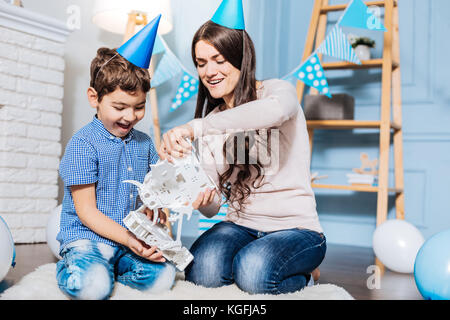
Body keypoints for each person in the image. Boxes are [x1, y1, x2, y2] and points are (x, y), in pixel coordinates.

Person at [159, 18, 326, 295]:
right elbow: (212, 205)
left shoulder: (277, 92)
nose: (209, 71)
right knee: (201, 272)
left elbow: (271, 112)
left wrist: (194, 127)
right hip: (240, 226)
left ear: (240, 58)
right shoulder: (213, 122)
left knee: (254, 271)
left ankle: (306, 275)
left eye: (219, 60)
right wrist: (203, 199)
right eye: (201, 63)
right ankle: (256, 261)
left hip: (296, 228)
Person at [56, 46, 176, 300]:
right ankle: (74, 266)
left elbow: (153, 193)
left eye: (139, 107)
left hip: (128, 242)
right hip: (87, 238)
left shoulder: (144, 143)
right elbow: (86, 213)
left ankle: (111, 269)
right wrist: (129, 238)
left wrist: (158, 214)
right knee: (92, 287)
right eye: (120, 106)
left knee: (164, 277)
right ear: (94, 98)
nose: (130, 116)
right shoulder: (82, 145)